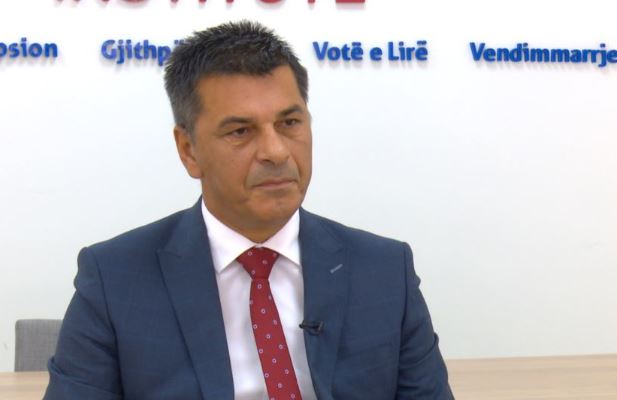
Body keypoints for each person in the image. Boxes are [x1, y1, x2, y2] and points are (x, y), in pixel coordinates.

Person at [44, 21, 453, 400]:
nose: (276, 152)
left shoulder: (385, 270)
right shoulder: (114, 279)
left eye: (289, 123)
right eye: (241, 131)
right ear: (189, 150)